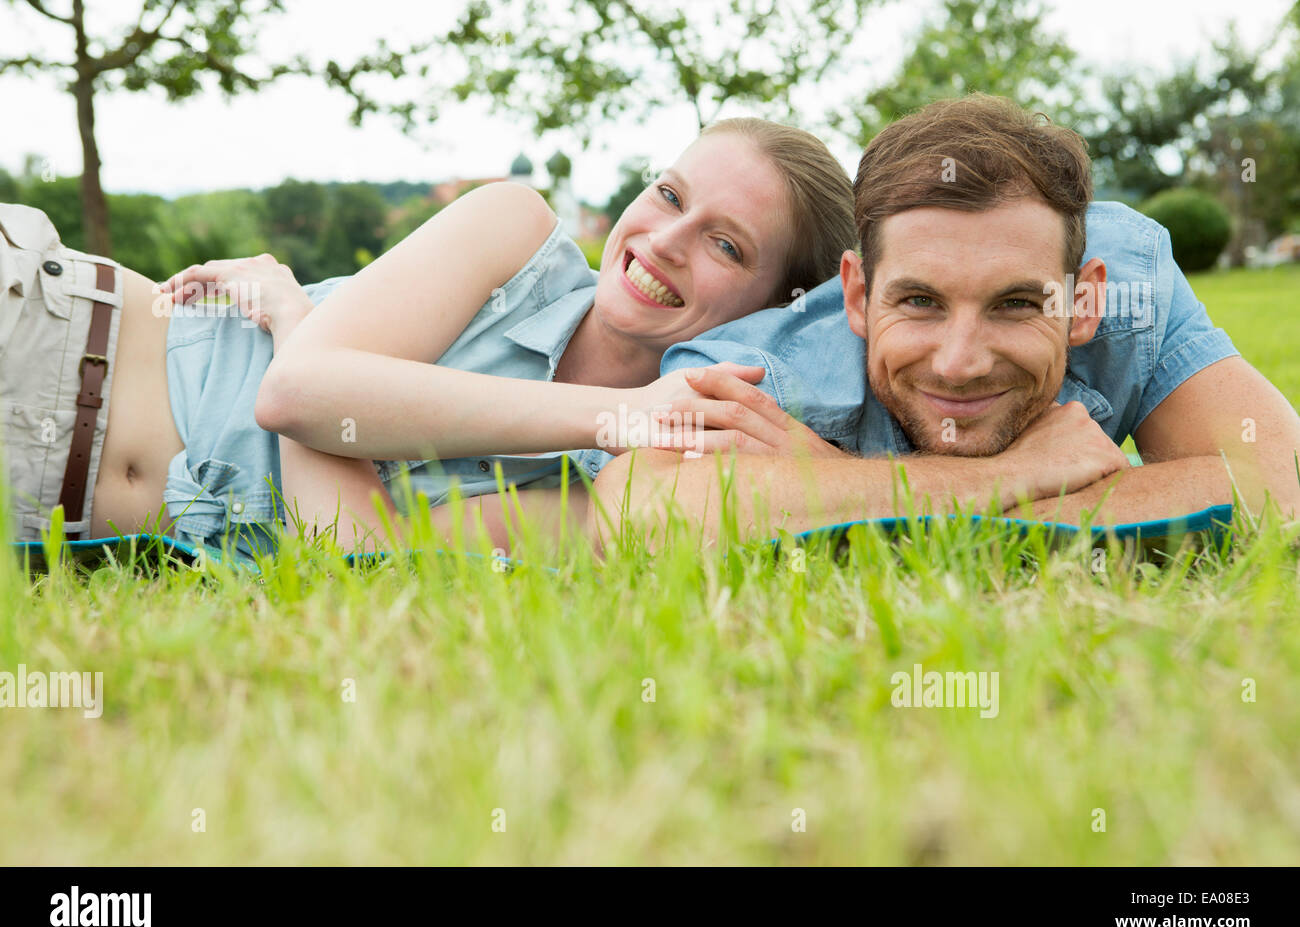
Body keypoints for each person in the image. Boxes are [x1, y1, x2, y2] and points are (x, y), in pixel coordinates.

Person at [0, 117, 857, 561]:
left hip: (42, 507)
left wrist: (299, 328)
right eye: (670, 195)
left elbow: (350, 554)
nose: (666, 238)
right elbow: (297, 398)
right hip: (53, 330)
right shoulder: (513, 230)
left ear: (774, 305)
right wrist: (625, 411)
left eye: (725, 243)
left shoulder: (616, 490)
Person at [561, 95, 1300, 547]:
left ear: (1083, 302)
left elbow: (1280, 479)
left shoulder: (1135, 289)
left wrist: (849, 496)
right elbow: (634, 515)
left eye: (1015, 303)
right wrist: (1007, 478)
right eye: (919, 302)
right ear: (857, 297)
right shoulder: (771, 368)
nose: (959, 361)